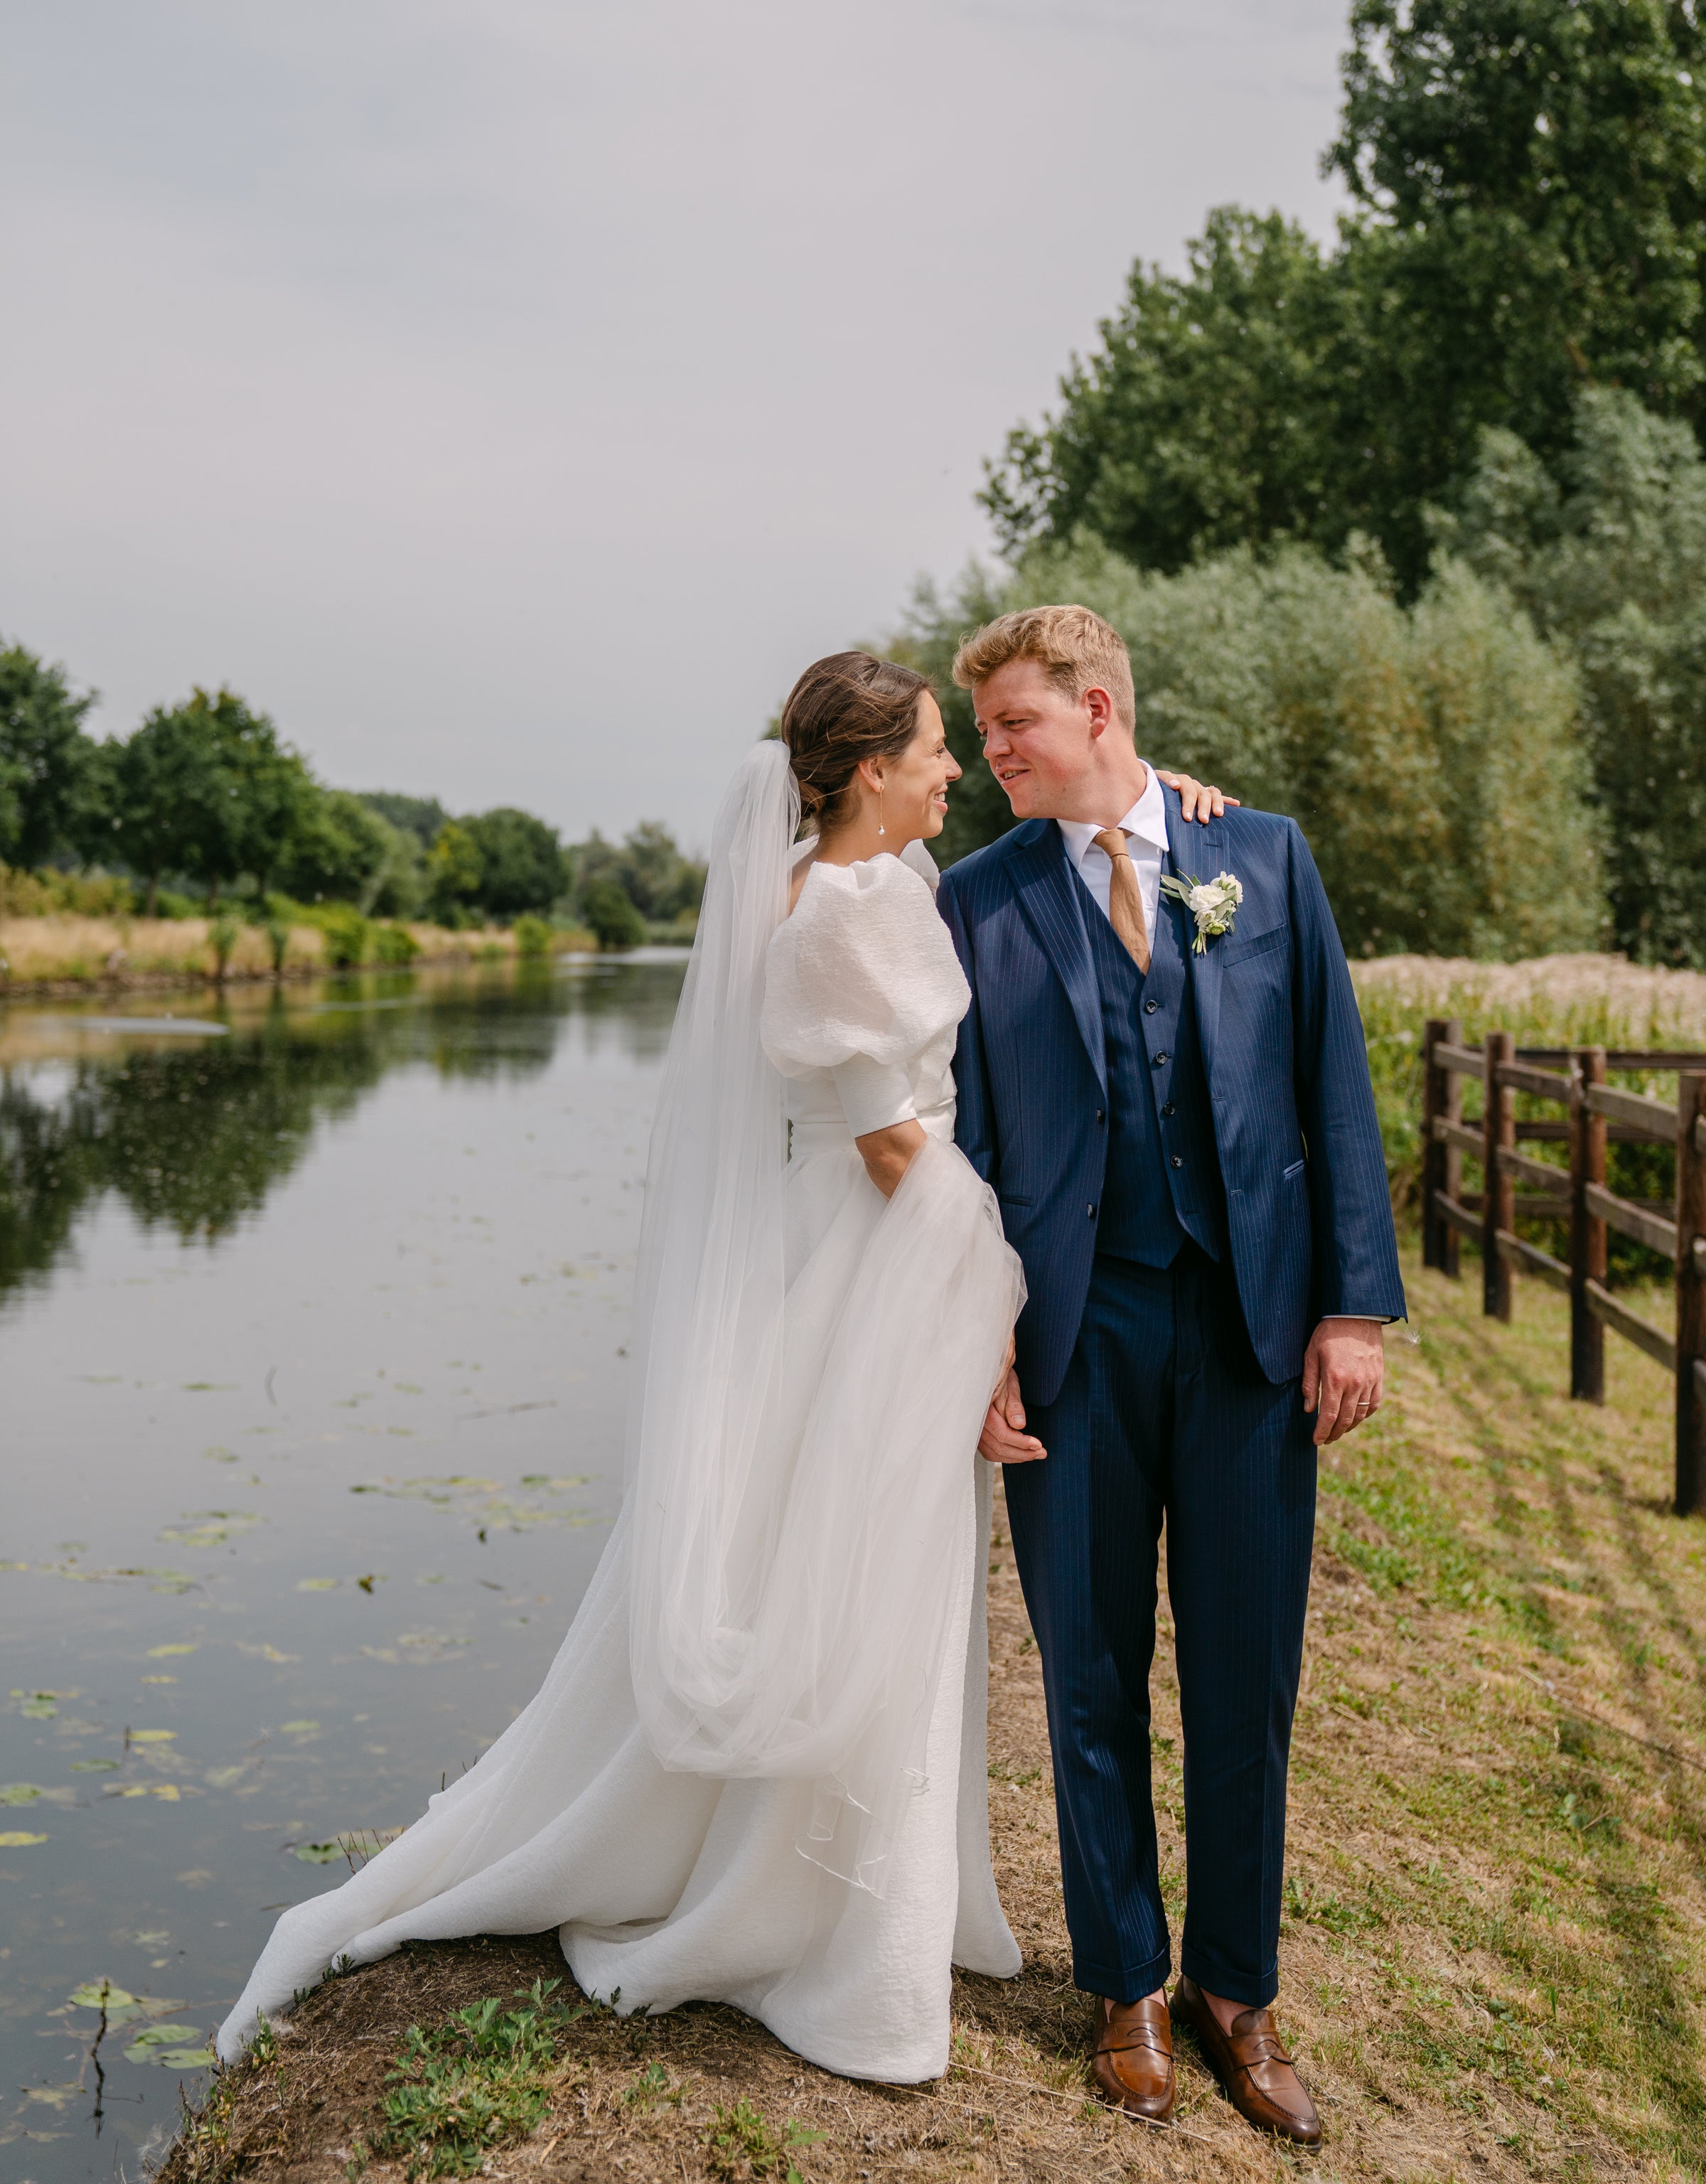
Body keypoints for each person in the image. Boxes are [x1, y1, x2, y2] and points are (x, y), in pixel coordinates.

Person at [215, 651, 1225, 2084]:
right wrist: (993, 1300)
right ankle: (817, 1918)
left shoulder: (899, 884)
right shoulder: (821, 919)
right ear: (868, 772)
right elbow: (891, 1148)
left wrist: (1171, 805)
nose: (956, 771)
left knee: (895, 1572)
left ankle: (892, 1898)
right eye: (938, 749)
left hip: (905, 1250)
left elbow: (1063, 873)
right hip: (875, 1263)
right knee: (856, 1567)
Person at [937, 605, 1404, 2145]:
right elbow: (964, 1138)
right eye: (984, 731)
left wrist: (1353, 1310)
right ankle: (1125, 1978)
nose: (994, 752)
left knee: (1245, 1679)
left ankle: (1237, 1991)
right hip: (1076, 1334)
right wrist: (980, 1332)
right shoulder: (978, 899)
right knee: (1085, 1671)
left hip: (1255, 1333)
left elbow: (1331, 1074)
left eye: (1015, 723)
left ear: (1097, 705)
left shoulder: (1258, 858)